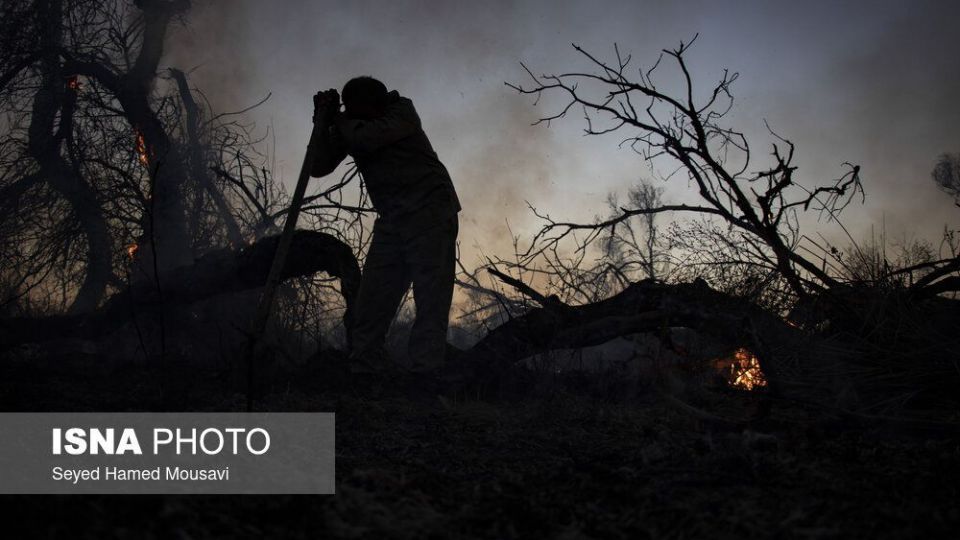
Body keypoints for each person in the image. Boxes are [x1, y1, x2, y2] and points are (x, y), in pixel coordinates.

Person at [310, 77, 461, 377]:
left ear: (376, 103)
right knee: (373, 300)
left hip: (430, 211)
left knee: (431, 298)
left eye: (358, 109)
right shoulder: (352, 124)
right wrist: (321, 123)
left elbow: (366, 139)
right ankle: (365, 370)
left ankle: (426, 374)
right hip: (392, 220)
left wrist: (337, 119)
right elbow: (318, 166)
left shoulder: (401, 112)